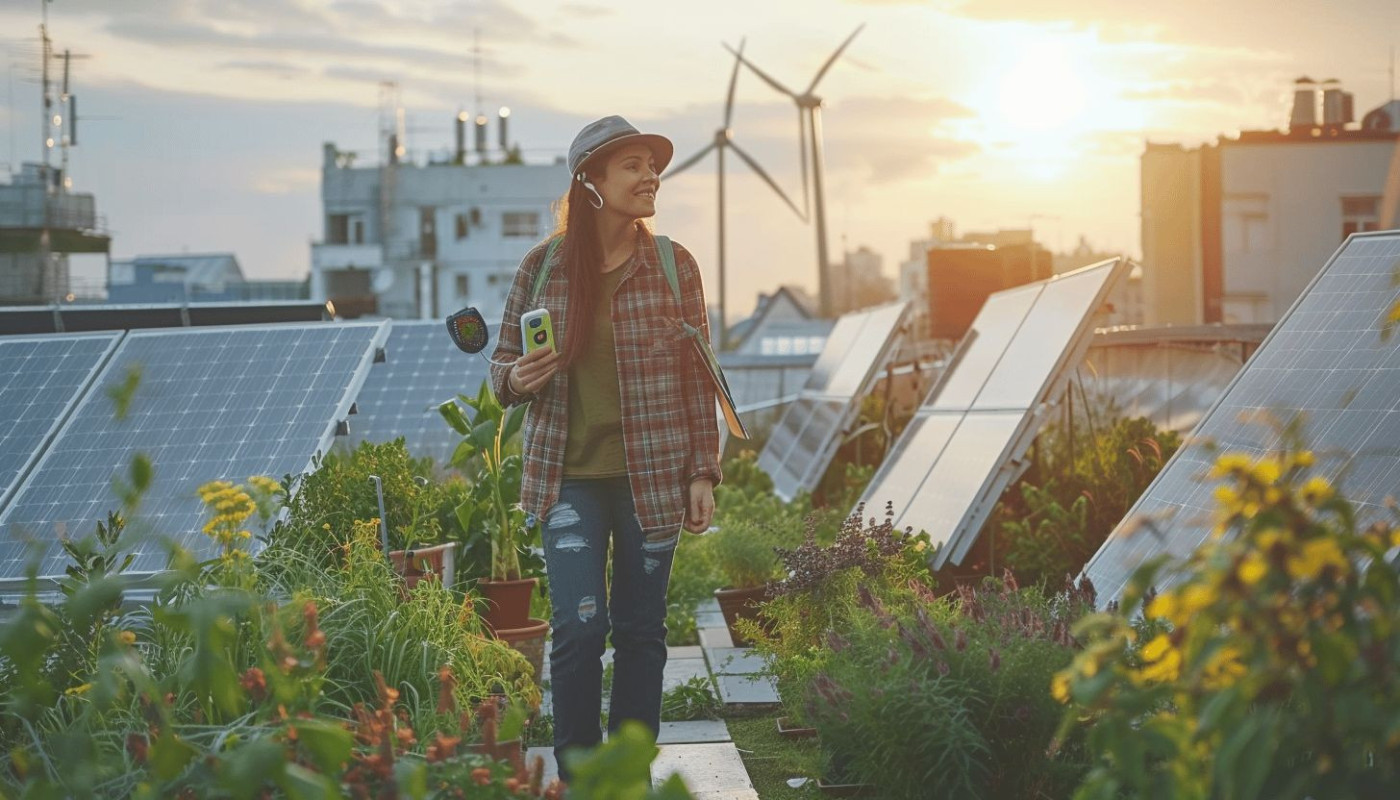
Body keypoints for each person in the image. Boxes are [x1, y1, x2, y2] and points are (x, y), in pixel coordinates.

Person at [489, 115, 722, 782]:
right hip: (568, 479)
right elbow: (502, 366)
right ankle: (580, 773)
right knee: (581, 629)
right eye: (634, 166)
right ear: (591, 180)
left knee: (643, 633)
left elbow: (697, 377)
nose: (652, 177)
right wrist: (516, 378)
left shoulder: (676, 267)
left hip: (653, 478)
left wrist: (703, 473)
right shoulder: (542, 267)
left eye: (654, 165)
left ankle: (628, 771)